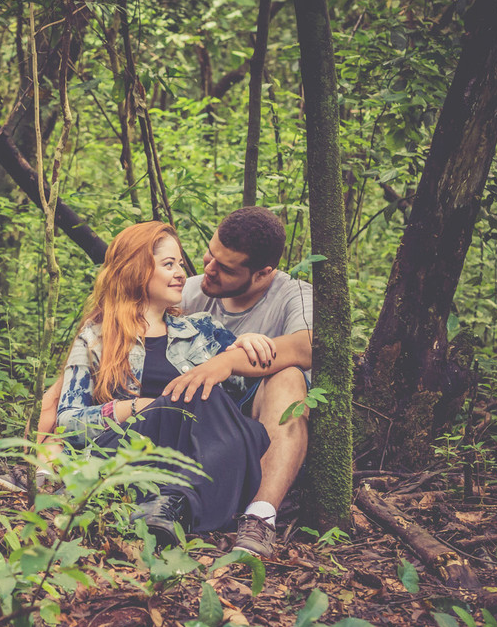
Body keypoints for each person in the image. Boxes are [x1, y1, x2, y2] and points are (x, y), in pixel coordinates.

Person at [40, 207, 312, 557]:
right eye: (171, 264)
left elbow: (244, 398)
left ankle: (192, 508)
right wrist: (133, 407)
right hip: (135, 449)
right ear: (138, 271)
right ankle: (165, 503)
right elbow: (66, 420)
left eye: (181, 264)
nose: (188, 273)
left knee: (214, 399)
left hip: (200, 454)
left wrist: (241, 350)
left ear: (262, 274)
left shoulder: (201, 330)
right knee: (194, 392)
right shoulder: (97, 337)